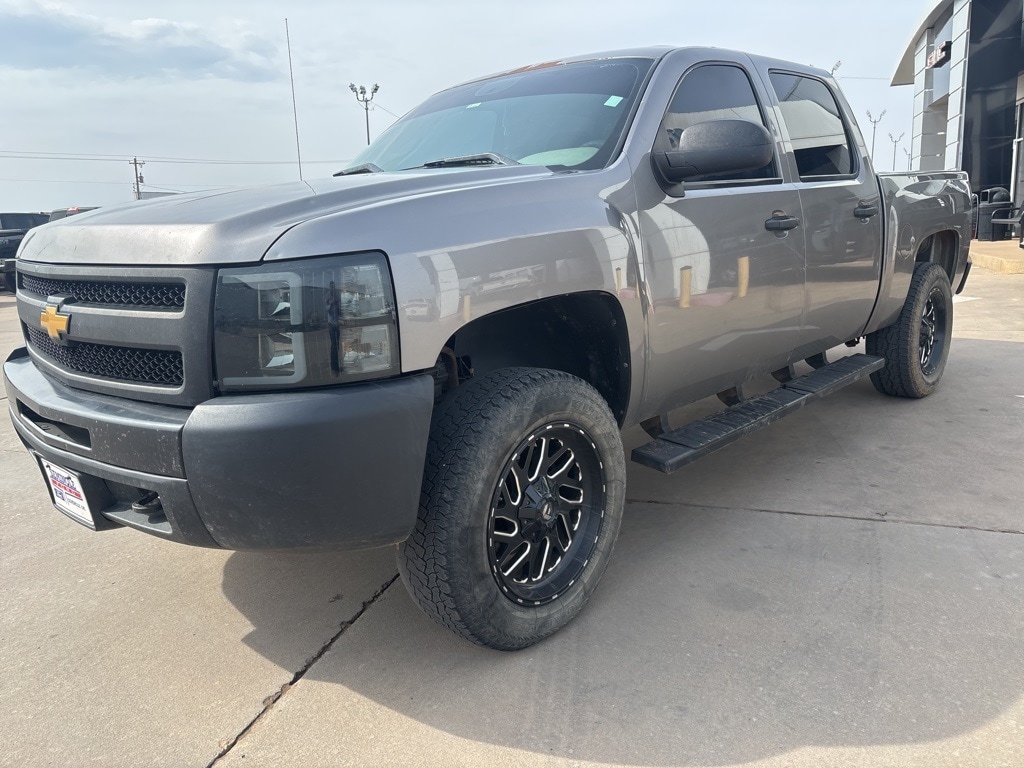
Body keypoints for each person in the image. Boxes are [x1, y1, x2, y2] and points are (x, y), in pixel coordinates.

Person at [326, 281, 341, 376]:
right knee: (333, 345)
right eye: (331, 286)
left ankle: (337, 366)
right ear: (329, 287)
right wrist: (330, 303)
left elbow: (340, 306)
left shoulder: (337, 294)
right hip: (331, 323)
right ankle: (334, 368)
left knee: (337, 345)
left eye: (334, 286)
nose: (333, 288)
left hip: (338, 322)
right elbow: (326, 308)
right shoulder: (327, 295)